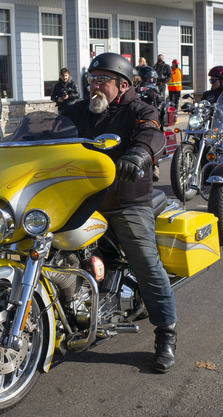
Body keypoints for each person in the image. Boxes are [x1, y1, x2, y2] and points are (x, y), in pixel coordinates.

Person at [63, 52, 179, 373]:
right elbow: (49, 130)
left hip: (126, 200)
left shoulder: (139, 110)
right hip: (84, 197)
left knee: (144, 260)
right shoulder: (78, 111)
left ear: (123, 84)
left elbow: (152, 132)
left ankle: (166, 331)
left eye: (103, 80)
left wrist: (140, 153)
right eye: (92, 79)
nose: (95, 86)